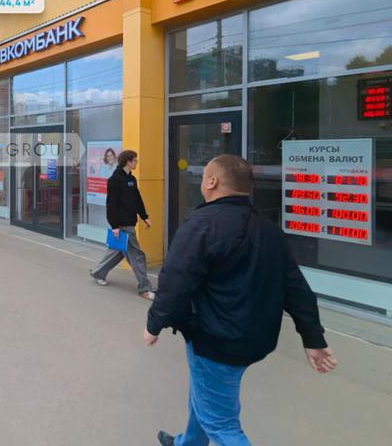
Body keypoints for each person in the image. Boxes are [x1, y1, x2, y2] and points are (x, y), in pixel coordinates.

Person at [146, 155, 337, 446]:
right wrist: (313, 338)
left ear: (212, 182)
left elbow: (176, 279)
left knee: (221, 422)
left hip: (216, 339)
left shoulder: (201, 224)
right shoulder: (268, 229)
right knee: (206, 395)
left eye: (205, 176)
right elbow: (295, 287)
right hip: (254, 337)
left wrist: (154, 323)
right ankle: (190, 443)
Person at [89, 149, 155, 299]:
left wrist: (144, 216)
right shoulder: (114, 180)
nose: (137, 163)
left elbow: (137, 199)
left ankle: (98, 272)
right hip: (123, 224)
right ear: (128, 162)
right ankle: (144, 288)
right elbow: (111, 205)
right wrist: (114, 226)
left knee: (118, 251)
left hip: (130, 221)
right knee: (137, 256)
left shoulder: (132, 179)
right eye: (135, 160)